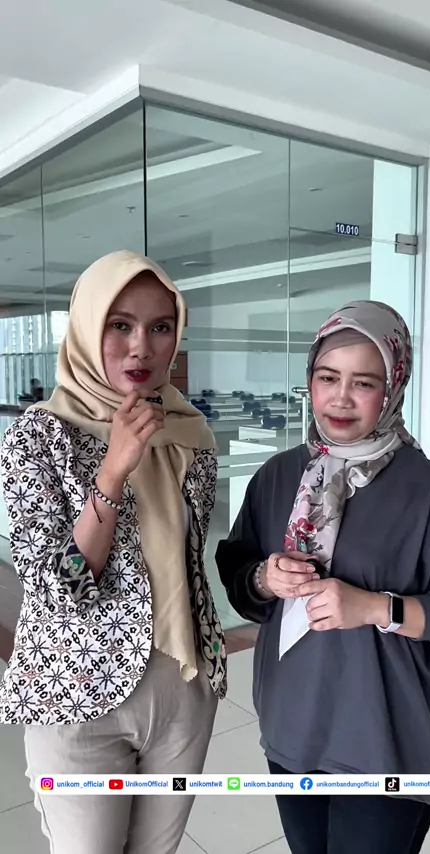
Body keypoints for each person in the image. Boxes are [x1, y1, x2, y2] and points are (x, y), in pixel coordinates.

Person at [216, 300, 430, 854]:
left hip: (389, 740)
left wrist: (377, 607)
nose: (340, 397)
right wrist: (265, 578)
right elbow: (238, 572)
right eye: (327, 377)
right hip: (294, 728)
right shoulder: (278, 476)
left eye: (363, 382)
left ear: (393, 387)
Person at [0, 250, 226, 854]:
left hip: (180, 687)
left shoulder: (191, 434)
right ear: (86, 326)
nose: (141, 348)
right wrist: (113, 471)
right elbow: (59, 590)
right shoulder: (37, 436)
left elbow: (189, 564)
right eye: (119, 325)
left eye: (160, 327)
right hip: (76, 693)